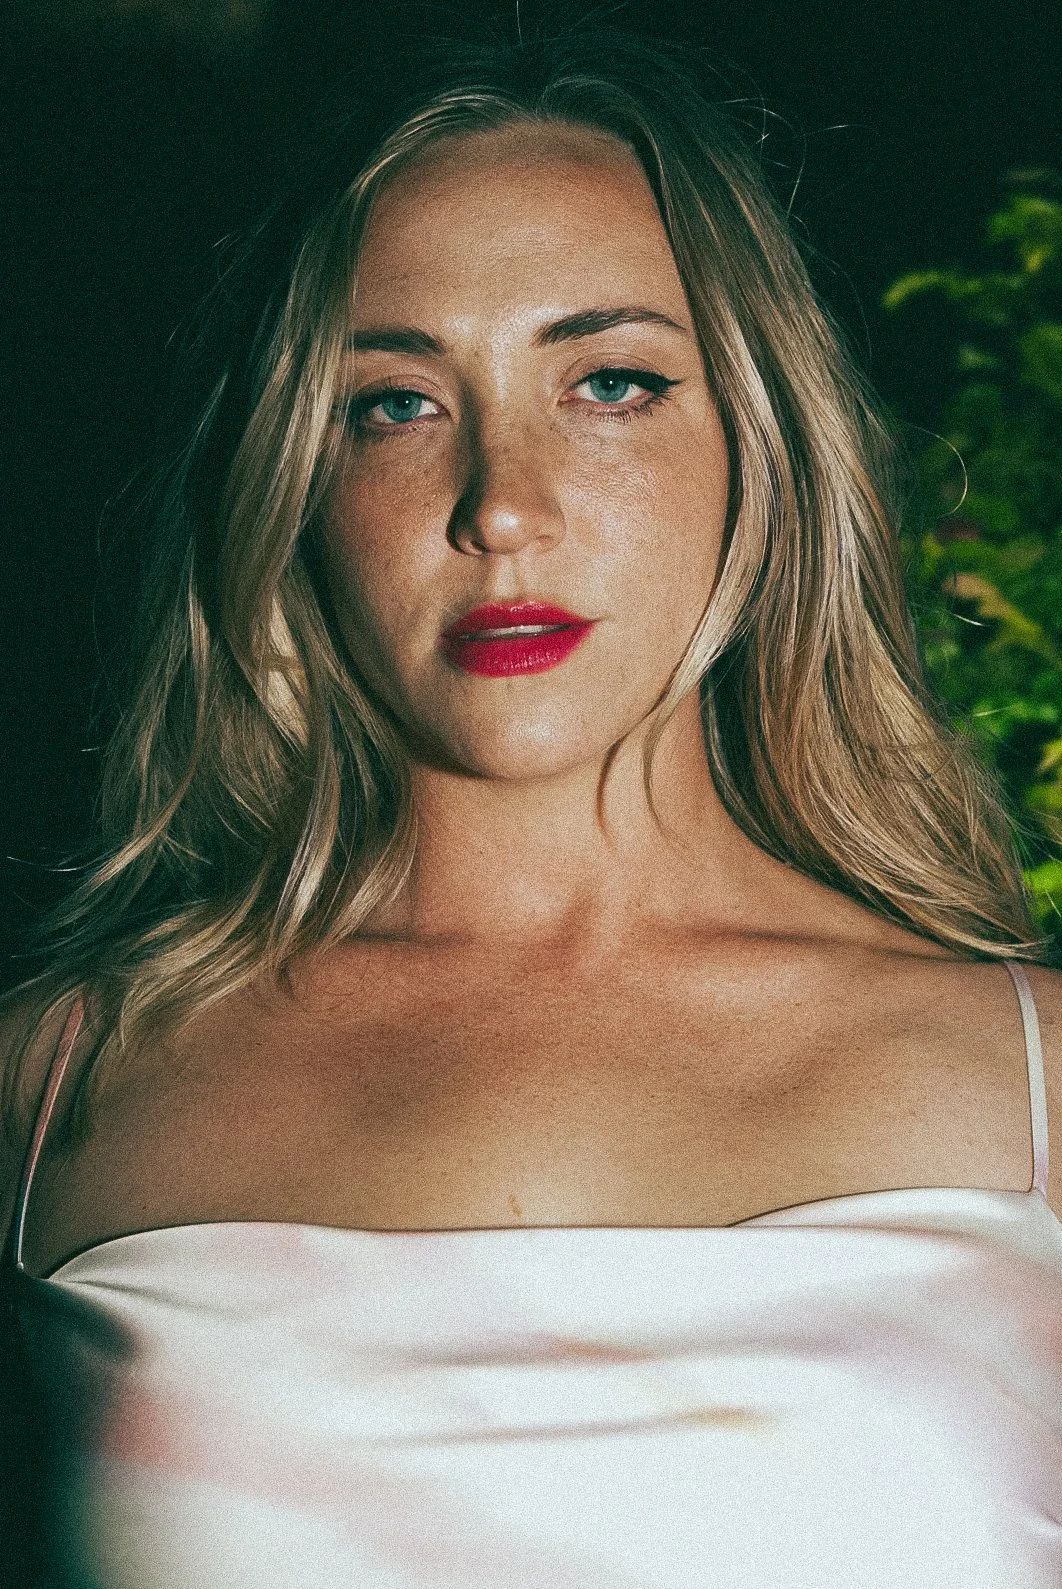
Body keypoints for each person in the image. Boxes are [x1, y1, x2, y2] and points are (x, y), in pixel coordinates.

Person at [1, 25, 1060, 1589]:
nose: (502, 503)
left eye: (612, 383)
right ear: (288, 479)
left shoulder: (1035, 1075)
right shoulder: (51, 1087)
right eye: (393, 404)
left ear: (761, 447)